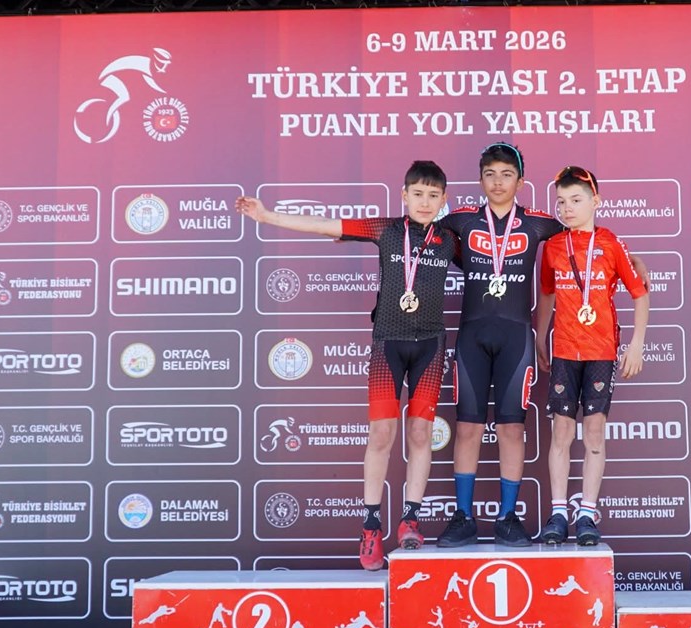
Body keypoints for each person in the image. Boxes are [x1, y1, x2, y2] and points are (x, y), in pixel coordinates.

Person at [236, 161, 457, 571]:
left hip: (430, 346)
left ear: (444, 199)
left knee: (421, 432)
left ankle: (410, 520)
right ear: (404, 195)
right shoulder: (386, 229)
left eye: (433, 196)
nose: (425, 202)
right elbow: (326, 226)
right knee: (381, 434)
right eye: (417, 194)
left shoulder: (450, 239)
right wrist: (267, 216)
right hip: (388, 344)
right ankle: (370, 526)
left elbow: (495, 261)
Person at [434, 143, 647, 548]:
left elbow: (588, 238)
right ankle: (462, 517)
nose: (498, 182)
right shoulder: (461, 221)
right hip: (472, 338)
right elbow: (418, 235)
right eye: (490, 174)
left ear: (521, 181)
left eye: (507, 174)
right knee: (467, 428)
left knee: (512, 428)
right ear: (479, 180)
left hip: (518, 339)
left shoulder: (540, 224)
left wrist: (632, 258)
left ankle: (508, 517)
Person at [535, 166, 649, 546]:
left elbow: (640, 293)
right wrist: (540, 337)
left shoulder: (611, 243)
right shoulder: (553, 246)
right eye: (561, 202)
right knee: (562, 432)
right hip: (565, 351)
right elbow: (547, 294)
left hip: (601, 351)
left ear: (595, 201)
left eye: (576, 200)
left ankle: (586, 513)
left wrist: (636, 343)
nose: (567, 209)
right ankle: (558, 513)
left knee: (595, 431)